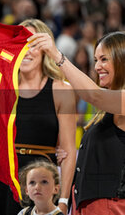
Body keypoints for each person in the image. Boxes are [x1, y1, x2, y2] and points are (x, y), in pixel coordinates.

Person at [0, 19, 76, 215]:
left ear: (46, 48)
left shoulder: (61, 91)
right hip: (0, 185)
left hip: (41, 186)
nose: (26, 51)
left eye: (33, 45)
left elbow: (69, 152)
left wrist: (63, 201)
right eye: (20, 45)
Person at [27, 31, 125, 214]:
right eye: (95, 60)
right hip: (88, 206)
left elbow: (94, 95)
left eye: (104, 59)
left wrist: (57, 56)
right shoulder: (106, 110)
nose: (97, 67)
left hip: (111, 206)